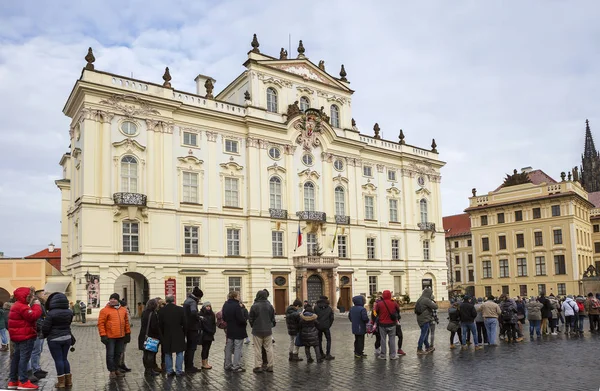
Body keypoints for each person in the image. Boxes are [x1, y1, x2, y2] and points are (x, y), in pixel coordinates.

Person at [7, 287, 43, 390]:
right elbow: (34, 315)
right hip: (25, 336)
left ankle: (13, 380)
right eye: (30, 296)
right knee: (24, 358)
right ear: (25, 296)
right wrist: (36, 305)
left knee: (16, 358)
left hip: (18, 336)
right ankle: (23, 381)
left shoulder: (16, 305)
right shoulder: (22, 307)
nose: (32, 297)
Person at [41, 292, 73, 389]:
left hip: (54, 339)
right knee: (64, 359)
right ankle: (68, 381)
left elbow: (45, 328)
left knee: (58, 360)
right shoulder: (69, 312)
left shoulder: (51, 313)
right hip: (67, 337)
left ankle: (61, 382)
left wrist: (45, 335)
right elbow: (69, 324)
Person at [97, 293, 131, 379]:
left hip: (121, 336)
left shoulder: (123, 310)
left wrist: (128, 333)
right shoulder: (104, 311)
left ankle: (116, 369)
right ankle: (111, 371)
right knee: (110, 355)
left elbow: (126, 322)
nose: (112, 300)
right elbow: (101, 324)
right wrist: (103, 335)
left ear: (118, 300)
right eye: (111, 298)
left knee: (118, 354)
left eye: (114, 299)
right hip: (110, 337)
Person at [249, 290, 276, 373]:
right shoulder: (270, 306)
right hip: (268, 330)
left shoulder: (254, 306)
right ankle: (270, 365)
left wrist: (254, 325)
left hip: (257, 330)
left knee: (257, 349)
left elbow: (250, 319)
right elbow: (272, 318)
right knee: (269, 348)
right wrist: (270, 325)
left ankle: (258, 366)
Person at [159, 295, 186, 377]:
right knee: (179, 353)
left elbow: (160, 325)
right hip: (178, 333)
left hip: (166, 334)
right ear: (174, 300)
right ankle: (179, 371)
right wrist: (183, 333)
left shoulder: (162, 311)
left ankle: (169, 371)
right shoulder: (180, 309)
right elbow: (185, 323)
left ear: (166, 301)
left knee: (167, 353)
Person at [222, 290, 247, 372]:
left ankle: (227, 364)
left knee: (229, 348)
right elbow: (240, 318)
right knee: (237, 348)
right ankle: (236, 366)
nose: (239, 297)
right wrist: (244, 322)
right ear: (235, 297)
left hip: (230, 329)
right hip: (238, 329)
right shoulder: (236, 306)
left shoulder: (225, 304)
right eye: (239, 295)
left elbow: (224, 317)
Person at [28, 291, 48, 383]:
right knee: (35, 351)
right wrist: (41, 326)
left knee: (38, 350)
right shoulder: (36, 303)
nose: (45, 295)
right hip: (37, 331)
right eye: (43, 293)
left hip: (40, 331)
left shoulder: (42, 303)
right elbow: (37, 318)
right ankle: (35, 369)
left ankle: (37, 367)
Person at [374, 290, 400, 360]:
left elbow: (375, 312)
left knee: (383, 340)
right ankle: (393, 355)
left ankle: (383, 355)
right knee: (392, 340)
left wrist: (378, 317)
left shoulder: (379, 304)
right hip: (392, 324)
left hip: (382, 324)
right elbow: (398, 310)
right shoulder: (394, 303)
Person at [138, 299, 162, 376]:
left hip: (143, 335)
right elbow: (154, 327)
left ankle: (147, 369)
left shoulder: (144, 312)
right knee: (151, 354)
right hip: (151, 337)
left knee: (145, 354)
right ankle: (150, 370)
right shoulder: (153, 314)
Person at [183, 286, 203, 373]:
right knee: (192, 347)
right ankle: (189, 366)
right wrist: (200, 317)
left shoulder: (187, 300)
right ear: (198, 296)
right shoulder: (192, 302)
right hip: (193, 327)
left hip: (187, 326)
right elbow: (194, 312)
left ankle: (187, 365)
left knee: (188, 347)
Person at [415, 288, 437, 355]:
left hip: (420, 319)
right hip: (425, 319)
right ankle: (419, 349)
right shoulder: (426, 300)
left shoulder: (420, 299)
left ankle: (427, 347)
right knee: (423, 334)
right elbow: (435, 306)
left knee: (425, 333)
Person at [314, 295, 335, 360]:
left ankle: (321, 353)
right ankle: (328, 354)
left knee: (319, 340)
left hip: (318, 326)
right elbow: (332, 318)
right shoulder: (329, 308)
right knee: (328, 340)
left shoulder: (316, 307)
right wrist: (329, 325)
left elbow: (314, 317)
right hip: (326, 327)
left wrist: (317, 324)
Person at [199, 301, 216, 370]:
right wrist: (210, 331)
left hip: (210, 334)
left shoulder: (212, 314)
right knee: (205, 348)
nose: (208, 308)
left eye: (209, 306)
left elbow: (213, 323)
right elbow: (203, 325)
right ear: (204, 307)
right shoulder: (201, 314)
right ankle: (204, 363)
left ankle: (206, 362)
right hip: (205, 334)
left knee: (208, 349)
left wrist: (213, 331)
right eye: (207, 306)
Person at [118, 300, 132, 373]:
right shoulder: (123, 311)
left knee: (123, 350)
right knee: (120, 350)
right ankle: (119, 365)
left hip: (126, 333)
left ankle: (122, 364)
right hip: (121, 334)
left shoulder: (126, 311)